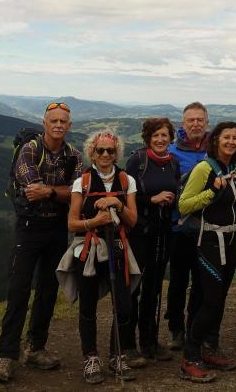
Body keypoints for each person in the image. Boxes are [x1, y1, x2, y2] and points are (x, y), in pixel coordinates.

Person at [0, 101, 82, 384]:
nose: (58, 125)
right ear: (44, 122)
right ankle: (7, 356)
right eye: (53, 120)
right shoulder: (30, 149)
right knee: (18, 290)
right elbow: (31, 190)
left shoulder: (74, 156)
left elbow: (77, 193)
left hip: (56, 228)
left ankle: (36, 348)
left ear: (69, 125)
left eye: (63, 121)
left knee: (47, 290)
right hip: (28, 229)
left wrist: (50, 192)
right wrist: (60, 192)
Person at [57, 131, 142, 384]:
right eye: (100, 150)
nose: (106, 155)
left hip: (117, 247)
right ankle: (91, 357)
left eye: (111, 151)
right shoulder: (81, 183)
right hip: (89, 248)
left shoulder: (127, 182)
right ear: (91, 152)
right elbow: (72, 223)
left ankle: (118, 354)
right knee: (88, 306)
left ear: (117, 153)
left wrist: (117, 203)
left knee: (124, 306)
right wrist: (95, 221)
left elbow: (133, 221)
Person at [177, 121, 236, 382]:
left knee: (219, 298)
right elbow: (185, 205)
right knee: (210, 300)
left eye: (235, 138)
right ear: (216, 140)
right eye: (226, 137)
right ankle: (190, 356)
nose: (232, 141)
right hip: (210, 240)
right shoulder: (204, 168)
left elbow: (227, 204)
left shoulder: (231, 168)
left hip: (230, 238)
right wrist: (212, 190)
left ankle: (210, 347)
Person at [124, 117, 180, 364]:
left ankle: (149, 341)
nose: (160, 139)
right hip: (139, 231)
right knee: (133, 287)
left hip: (162, 231)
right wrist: (152, 200)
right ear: (148, 137)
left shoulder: (173, 163)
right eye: (156, 135)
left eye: (164, 135)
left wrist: (171, 200)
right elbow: (126, 195)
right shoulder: (137, 160)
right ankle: (127, 345)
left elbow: (177, 191)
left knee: (154, 287)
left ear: (170, 138)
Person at [165, 102, 209, 352]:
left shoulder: (214, 149)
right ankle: (175, 329)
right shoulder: (171, 152)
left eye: (199, 120)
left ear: (206, 122)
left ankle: (194, 328)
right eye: (190, 120)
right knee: (179, 281)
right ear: (183, 124)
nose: (195, 124)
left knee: (201, 282)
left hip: (207, 228)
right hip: (179, 228)